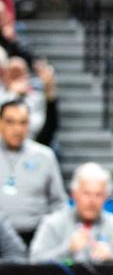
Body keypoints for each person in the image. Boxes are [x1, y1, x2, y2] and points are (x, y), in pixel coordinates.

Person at [30, 163, 113, 263]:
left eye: (98, 194)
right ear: (74, 194)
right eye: (86, 193)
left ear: (106, 197)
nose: (92, 201)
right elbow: (34, 260)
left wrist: (112, 258)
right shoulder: (52, 224)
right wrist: (68, 250)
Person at [0, 100, 68, 244]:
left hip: (36, 237)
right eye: (10, 122)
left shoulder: (45, 156)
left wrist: (50, 235)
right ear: (0, 123)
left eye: (23, 122)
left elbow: (59, 203)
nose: (17, 129)